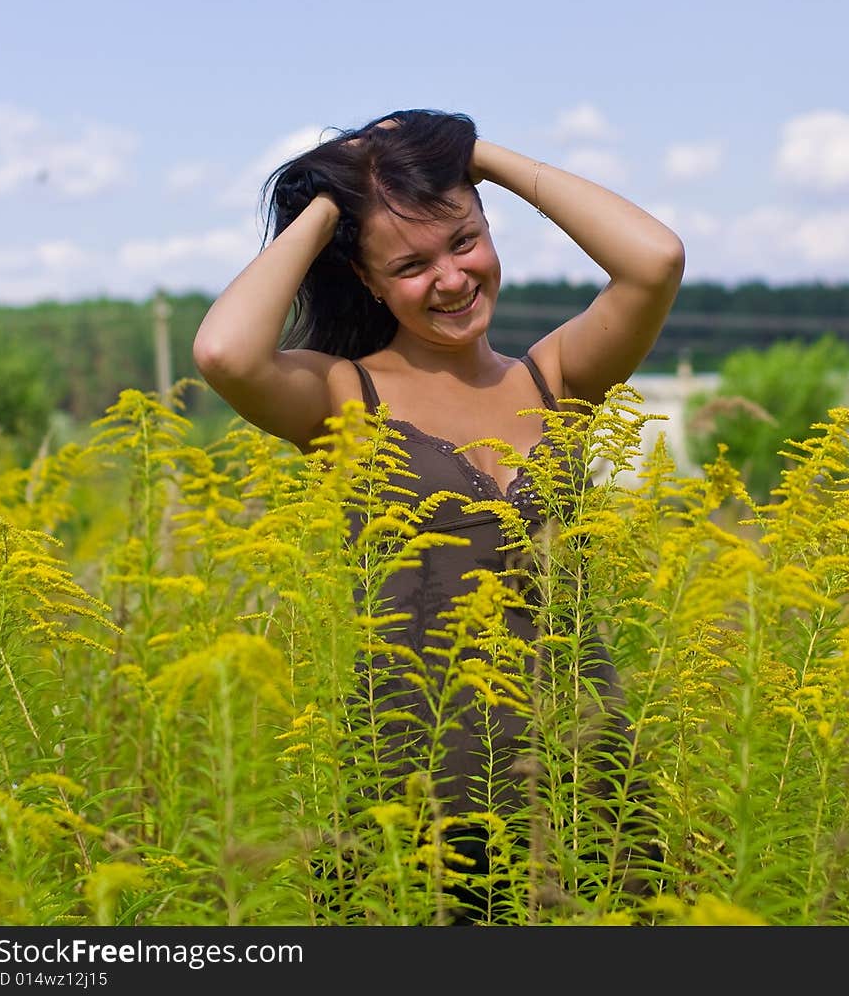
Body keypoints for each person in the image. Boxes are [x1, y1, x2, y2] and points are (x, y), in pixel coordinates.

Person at [192, 107, 685, 921]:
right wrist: (333, 196)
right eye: (410, 263)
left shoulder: (556, 377)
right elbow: (224, 352)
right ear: (367, 279)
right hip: (410, 797)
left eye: (464, 241)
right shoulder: (345, 396)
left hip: (583, 783)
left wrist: (469, 156)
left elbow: (655, 259)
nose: (452, 278)